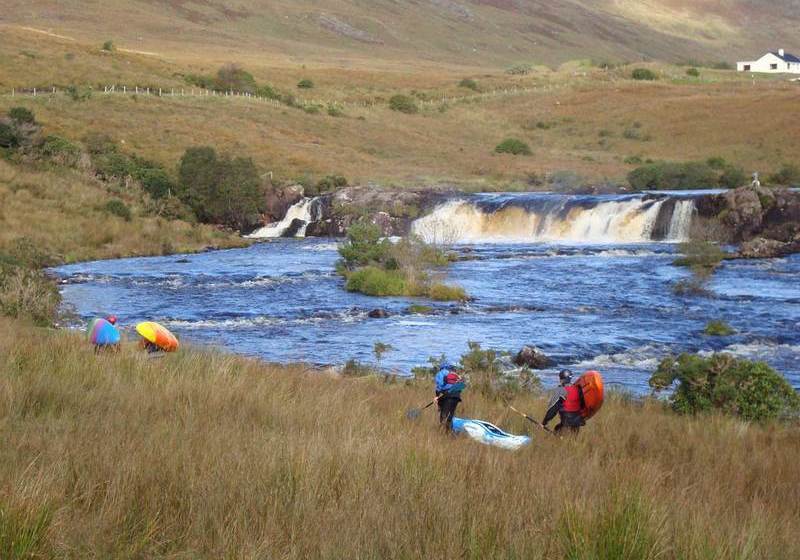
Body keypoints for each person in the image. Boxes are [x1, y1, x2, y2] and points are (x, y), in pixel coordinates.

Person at [542, 369, 585, 434]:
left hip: (566, 422)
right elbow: (582, 405)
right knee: (572, 439)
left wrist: (544, 422)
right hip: (577, 422)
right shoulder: (578, 389)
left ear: (563, 379)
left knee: (557, 430)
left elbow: (553, 410)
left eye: (560, 379)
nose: (560, 380)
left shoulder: (561, 390)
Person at [434, 363, 466, 433]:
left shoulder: (440, 373)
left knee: (444, 414)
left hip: (447, 396)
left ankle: (442, 433)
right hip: (456, 396)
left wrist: (437, 396)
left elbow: (439, 386)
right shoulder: (454, 374)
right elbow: (461, 386)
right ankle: (449, 433)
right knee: (450, 415)